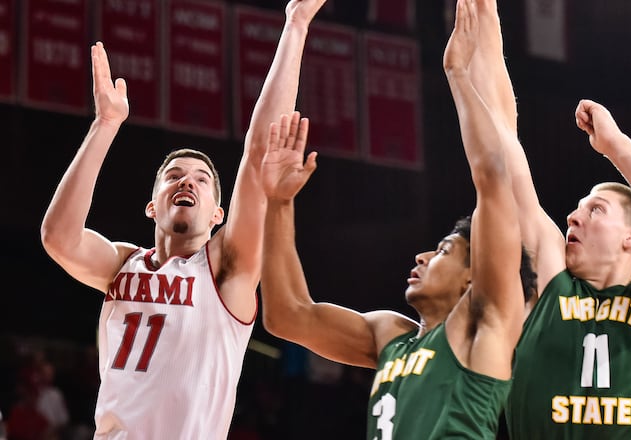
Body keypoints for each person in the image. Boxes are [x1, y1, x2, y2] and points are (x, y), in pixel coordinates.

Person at [39, 1, 326, 438]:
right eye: (173, 176)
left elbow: (255, 158)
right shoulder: (122, 264)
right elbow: (58, 237)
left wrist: (296, 25)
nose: (185, 182)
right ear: (153, 205)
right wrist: (106, 123)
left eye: (201, 179)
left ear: (218, 214)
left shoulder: (227, 267)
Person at [258, 1, 534, 437]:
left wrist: (459, 75)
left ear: (472, 278)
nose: (424, 255)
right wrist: (278, 203)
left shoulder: (484, 323)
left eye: (444, 250)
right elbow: (287, 315)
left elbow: (496, 176)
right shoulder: (390, 335)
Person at [462, 1, 631, 437]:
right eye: (578, 208)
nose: (572, 216)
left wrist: (617, 147)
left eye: (594, 209)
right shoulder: (550, 277)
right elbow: (504, 143)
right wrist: (485, 17)